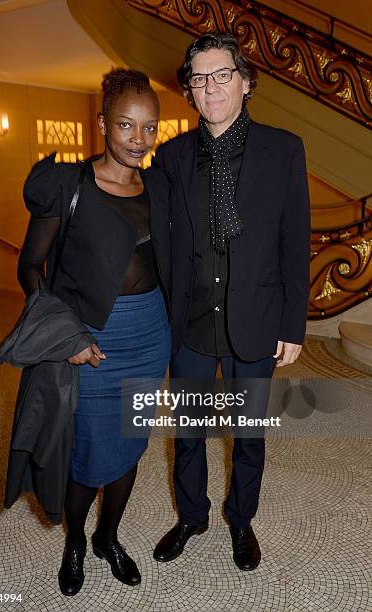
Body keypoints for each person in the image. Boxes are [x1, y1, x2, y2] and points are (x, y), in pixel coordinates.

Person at [152, 32, 310, 571]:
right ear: (190, 92)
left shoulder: (285, 149)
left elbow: (295, 241)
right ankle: (191, 516)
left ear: (246, 83)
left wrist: (294, 323)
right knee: (190, 431)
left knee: (248, 436)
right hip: (190, 320)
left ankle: (241, 521)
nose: (210, 86)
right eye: (199, 78)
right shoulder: (171, 157)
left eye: (222, 75)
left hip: (257, 318)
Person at [17, 68, 171, 596]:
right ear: (103, 122)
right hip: (92, 343)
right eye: (126, 125)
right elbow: (31, 269)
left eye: (149, 128)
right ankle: (77, 542)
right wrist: (67, 338)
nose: (138, 139)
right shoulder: (69, 185)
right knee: (87, 456)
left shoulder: (160, 187)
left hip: (150, 338)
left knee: (130, 446)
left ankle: (109, 537)